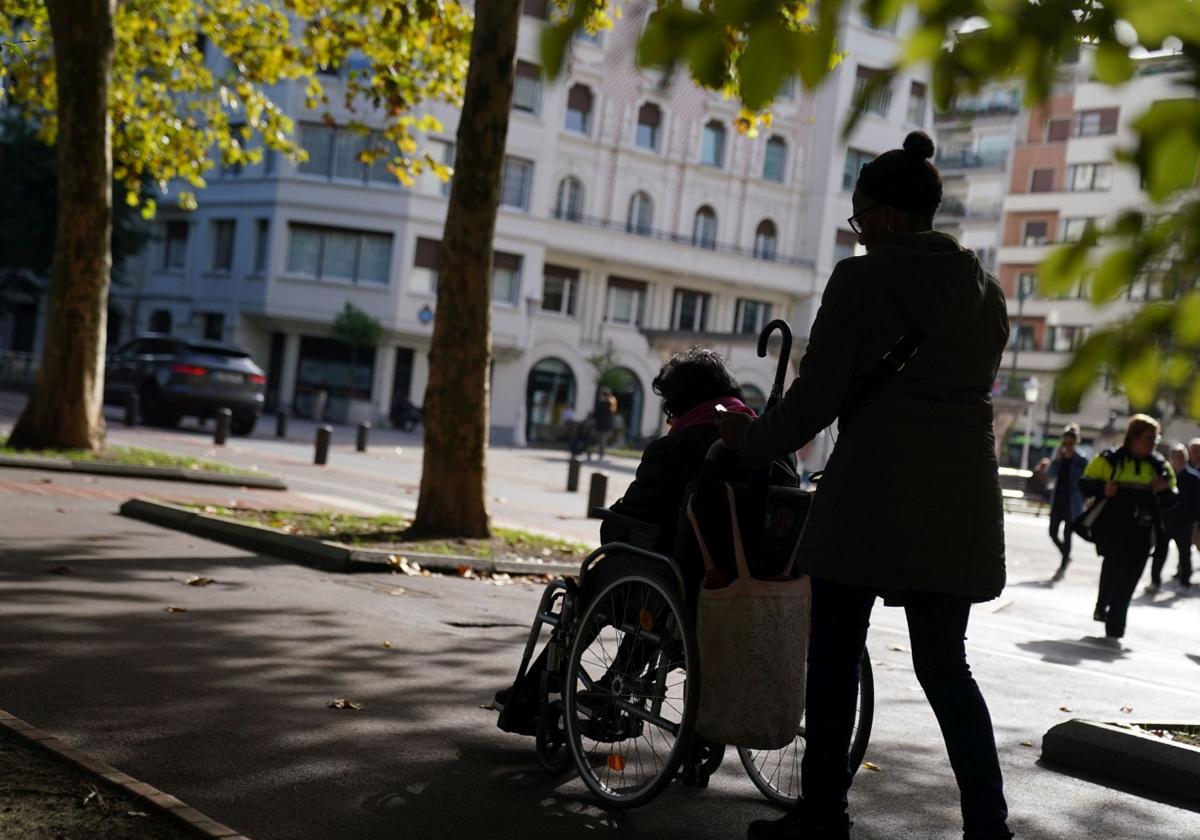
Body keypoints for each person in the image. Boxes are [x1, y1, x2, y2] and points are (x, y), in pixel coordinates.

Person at [718, 130, 1013, 840]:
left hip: (872, 490)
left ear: (880, 217)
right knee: (946, 667)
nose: (859, 235)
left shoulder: (861, 279)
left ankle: (824, 814)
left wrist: (751, 444)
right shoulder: (986, 292)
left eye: (858, 222)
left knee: (836, 656)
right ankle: (988, 827)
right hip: (959, 500)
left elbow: (816, 398)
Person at [495, 348, 755, 734]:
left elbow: (627, 519)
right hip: (746, 587)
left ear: (680, 403)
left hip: (674, 586)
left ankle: (532, 694)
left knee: (603, 584)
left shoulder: (676, 447)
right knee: (658, 593)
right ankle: (607, 697)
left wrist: (612, 520)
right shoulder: (764, 446)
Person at [1081, 415, 1177, 640]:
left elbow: (1172, 500)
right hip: (1113, 529)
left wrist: (1162, 490)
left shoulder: (1160, 467)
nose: (1153, 442)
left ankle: (1115, 627)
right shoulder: (1109, 460)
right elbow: (1084, 484)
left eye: (1156, 438)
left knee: (1130, 578)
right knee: (1113, 568)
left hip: (1142, 533)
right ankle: (1102, 604)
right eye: (1148, 438)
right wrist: (1105, 489)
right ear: (1133, 438)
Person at [1149, 443, 1199, 591]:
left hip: (1185, 523)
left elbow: (1197, 504)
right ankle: (1155, 582)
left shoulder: (1194, 479)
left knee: (1184, 554)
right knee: (1160, 553)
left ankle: (1185, 582)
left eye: (1182, 457)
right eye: (1177, 457)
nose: (1180, 460)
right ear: (1171, 459)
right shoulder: (1166, 476)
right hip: (1166, 521)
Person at [1048, 424, 1088, 581]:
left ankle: (1063, 565)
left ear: (1076, 442)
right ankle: (1066, 555)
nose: (1067, 446)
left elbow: (1082, 480)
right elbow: (1051, 475)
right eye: (1065, 443)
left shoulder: (1081, 459)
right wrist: (1057, 460)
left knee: (1067, 535)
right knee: (1052, 532)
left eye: (1070, 443)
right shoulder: (1060, 457)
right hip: (1058, 500)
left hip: (1072, 502)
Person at [590, 386, 617, 460]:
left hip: (601, 424)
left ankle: (600, 454)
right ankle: (600, 454)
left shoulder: (604, 403)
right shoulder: (611, 403)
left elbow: (596, 414)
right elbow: (613, 413)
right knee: (602, 440)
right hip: (605, 424)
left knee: (600, 439)